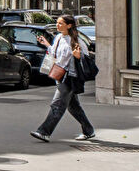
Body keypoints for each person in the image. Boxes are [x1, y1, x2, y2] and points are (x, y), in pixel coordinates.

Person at [32, 14, 96, 142]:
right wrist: (46, 44)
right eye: (57, 22)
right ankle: (89, 130)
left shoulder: (77, 40)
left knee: (57, 104)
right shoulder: (59, 37)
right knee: (73, 107)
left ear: (69, 25)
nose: (57, 25)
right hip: (60, 75)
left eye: (61, 23)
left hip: (70, 77)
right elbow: (55, 53)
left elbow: (85, 59)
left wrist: (78, 56)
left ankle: (44, 132)